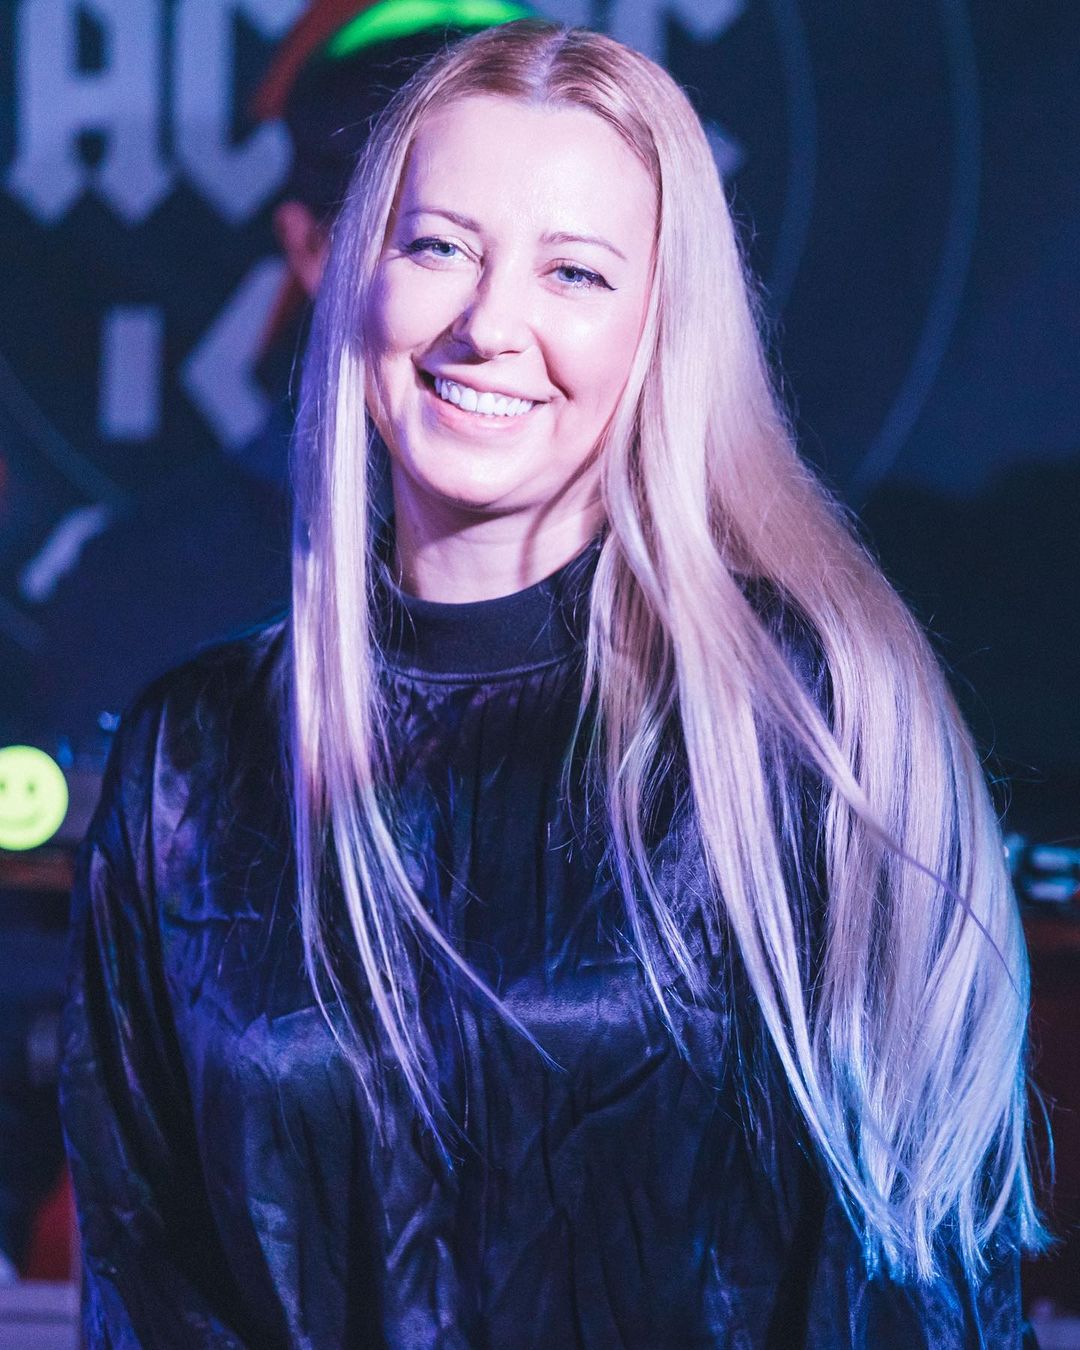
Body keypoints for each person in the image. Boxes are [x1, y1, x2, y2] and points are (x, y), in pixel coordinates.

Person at [59, 20, 1044, 1347]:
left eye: (573, 271)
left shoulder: (804, 717)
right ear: (354, 273)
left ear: (660, 329)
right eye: (438, 247)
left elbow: (914, 1273)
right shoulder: (197, 756)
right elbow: (149, 1271)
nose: (489, 324)